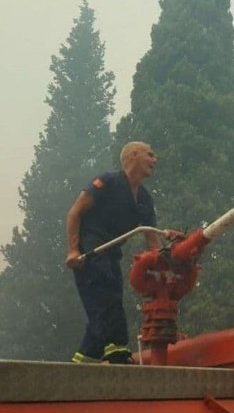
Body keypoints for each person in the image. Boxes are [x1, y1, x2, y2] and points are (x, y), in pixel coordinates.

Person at [65, 141, 172, 364]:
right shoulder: (106, 182)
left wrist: (169, 256)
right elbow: (74, 212)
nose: (155, 159)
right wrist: (73, 250)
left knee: (100, 311)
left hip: (111, 255)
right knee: (108, 300)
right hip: (91, 253)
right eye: (150, 155)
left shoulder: (144, 199)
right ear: (133, 155)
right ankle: (118, 351)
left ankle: (81, 362)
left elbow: (152, 238)